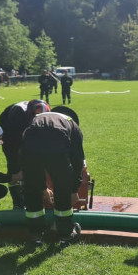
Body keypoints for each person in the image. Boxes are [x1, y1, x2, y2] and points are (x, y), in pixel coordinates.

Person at [22, 105, 85, 246]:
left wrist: (42, 188)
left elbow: (32, 163)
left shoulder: (37, 118)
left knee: (32, 189)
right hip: (56, 142)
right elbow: (77, 161)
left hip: (30, 141)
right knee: (63, 189)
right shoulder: (74, 127)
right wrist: (74, 190)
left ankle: (35, 235)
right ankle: (66, 234)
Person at [0, 99, 49, 209]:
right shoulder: (18, 115)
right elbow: (17, 143)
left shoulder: (45, 113)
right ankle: (18, 202)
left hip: (24, 130)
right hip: (10, 134)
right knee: (15, 167)